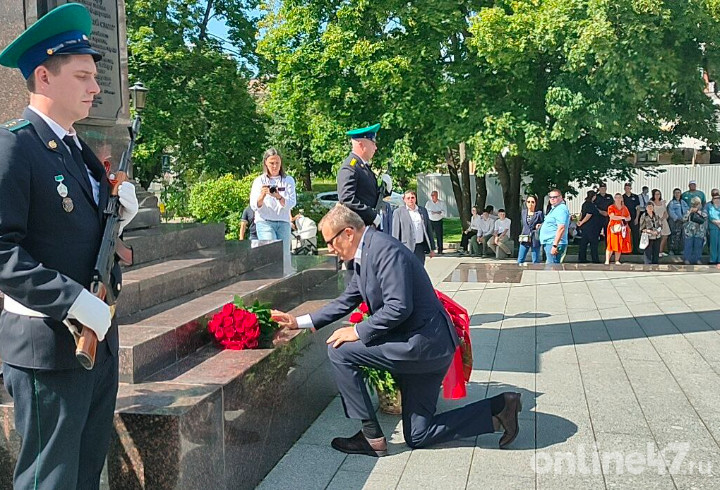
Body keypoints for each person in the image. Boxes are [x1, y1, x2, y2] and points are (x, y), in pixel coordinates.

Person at [0, 4, 139, 488]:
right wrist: (73, 300)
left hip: (97, 336)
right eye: (82, 76)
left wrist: (118, 210)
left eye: (95, 77)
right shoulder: (14, 147)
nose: (96, 87)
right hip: (50, 345)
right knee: (49, 479)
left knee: (83, 472)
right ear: (44, 75)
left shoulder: (77, 149)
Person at [270, 204, 523, 456]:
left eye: (331, 241)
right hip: (424, 349)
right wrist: (299, 321)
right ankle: (500, 409)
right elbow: (346, 300)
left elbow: (399, 307)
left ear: (348, 232)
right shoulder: (365, 253)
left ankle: (371, 436)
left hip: (422, 346)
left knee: (341, 351)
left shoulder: (384, 251)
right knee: (418, 435)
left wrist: (357, 332)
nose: (330, 249)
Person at [337, 123, 388, 228]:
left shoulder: (362, 166)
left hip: (366, 226)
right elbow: (347, 198)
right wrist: (371, 216)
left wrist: (386, 190)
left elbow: (369, 196)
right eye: (372, 143)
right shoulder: (350, 167)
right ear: (361, 144)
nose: (375, 147)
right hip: (358, 227)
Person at [250, 148, 297, 259]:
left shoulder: (288, 180)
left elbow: (292, 203)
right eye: (272, 163)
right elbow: (254, 205)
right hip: (265, 222)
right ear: (266, 163)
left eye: (277, 163)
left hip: (283, 221)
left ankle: (285, 274)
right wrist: (262, 195)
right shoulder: (259, 181)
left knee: (284, 255)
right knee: (271, 253)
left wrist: (278, 196)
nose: (275, 166)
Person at [392, 190, 436, 265]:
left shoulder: (422, 211)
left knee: (419, 271)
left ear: (415, 199)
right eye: (408, 198)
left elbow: (428, 229)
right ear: (404, 200)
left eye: (412, 197)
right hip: (406, 247)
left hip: (420, 247)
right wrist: (395, 251)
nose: (410, 200)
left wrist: (432, 248)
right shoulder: (398, 212)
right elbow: (395, 234)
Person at [539, 189, 570, 265]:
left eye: (555, 197)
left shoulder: (561, 209)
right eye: (550, 197)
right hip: (550, 242)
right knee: (551, 265)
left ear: (561, 197)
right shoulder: (555, 209)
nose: (552, 199)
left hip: (554, 243)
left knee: (552, 267)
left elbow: (561, 227)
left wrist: (555, 245)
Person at [605, 193, 632, 264]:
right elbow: (612, 216)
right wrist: (622, 218)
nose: (618, 199)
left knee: (619, 243)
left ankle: (617, 260)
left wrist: (626, 219)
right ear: (614, 199)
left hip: (622, 227)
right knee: (611, 243)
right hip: (613, 227)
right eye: (616, 197)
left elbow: (629, 217)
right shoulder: (611, 207)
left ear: (622, 199)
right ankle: (607, 260)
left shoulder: (624, 208)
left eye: (619, 197)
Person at [577, 190, 602, 263]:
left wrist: (580, 221)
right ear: (593, 196)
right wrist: (582, 222)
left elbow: (581, 213)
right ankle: (595, 259)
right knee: (593, 243)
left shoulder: (585, 204)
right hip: (591, 227)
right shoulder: (590, 205)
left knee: (583, 243)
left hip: (585, 227)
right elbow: (588, 214)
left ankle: (582, 258)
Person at [517, 195, 543, 264]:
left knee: (536, 260)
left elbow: (543, 223)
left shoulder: (539, 213)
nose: (530, 204)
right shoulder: (523, 212)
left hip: (535, 237)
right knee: (520, 259)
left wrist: (539, 225)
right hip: (525, 237)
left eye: (532, 202)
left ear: (535, 203)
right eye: (528, 202)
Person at [683, 197, 707, 265]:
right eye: (694, 203)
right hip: (689, 230)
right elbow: (684, 218)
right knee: (688, 244)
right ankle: (687, 259)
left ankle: (697, 259)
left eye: (697, 203)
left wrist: (698, 212)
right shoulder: (688, 210)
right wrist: (690, 212)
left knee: (698, 245)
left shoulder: (703, 211)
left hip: (699, 230)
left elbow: (705, 217)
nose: (695, 205)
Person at [649, 189, 671, 257]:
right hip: (655, 221)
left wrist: (663, 218)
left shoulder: (663, 202)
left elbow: (665, 212)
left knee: (665, 236)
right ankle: (655, 251)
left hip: (663, 221)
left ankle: (660, 251)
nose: (657, 195)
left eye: (659, 194)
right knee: (655, 236)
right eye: (656, 194)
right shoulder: (651, 202)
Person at [667, 188, 688, 255]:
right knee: (674, 236)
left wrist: (685, 218)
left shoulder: (683, 202)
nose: (677, 194)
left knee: (682, 236)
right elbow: (671, 212)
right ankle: (672, 250)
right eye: (676, 193)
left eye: (678, 192)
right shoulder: (672, 203)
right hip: (675, 222)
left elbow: (687, 210)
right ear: (673, 194)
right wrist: (677, 219)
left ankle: (680, 250)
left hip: (683, 222)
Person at [622, 183, 641, 253]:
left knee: (635, 234)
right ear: (624, 188)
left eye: (628, 188)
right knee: (624, 234)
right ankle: (625, 249)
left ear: (631, 188)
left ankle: (635, 249)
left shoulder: (635, 197)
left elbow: (638, 208)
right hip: (625, 218)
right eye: (626, 188)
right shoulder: (622, 197)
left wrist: (637, 218)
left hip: (633, 217)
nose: (627, 189)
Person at [707, 191, 720, 265]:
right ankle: (713, 259)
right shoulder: (709, 205)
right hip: (713, 227)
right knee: (713, 244)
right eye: (715, 197)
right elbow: (710, 216)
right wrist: (717, 223)